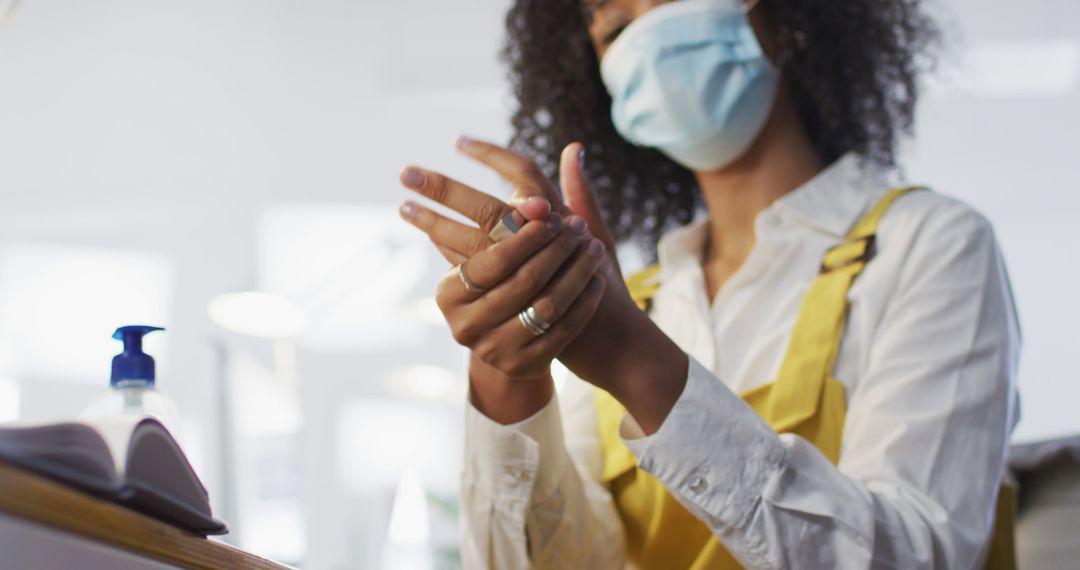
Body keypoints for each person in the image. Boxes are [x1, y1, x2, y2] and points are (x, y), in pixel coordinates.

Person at [397, 0, 1020, 567]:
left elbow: (915, 557)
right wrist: (509, 367)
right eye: (615, 27)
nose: (647, 39)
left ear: (782, 16)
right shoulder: (631, 298)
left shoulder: (927, 245)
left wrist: (632, 359)